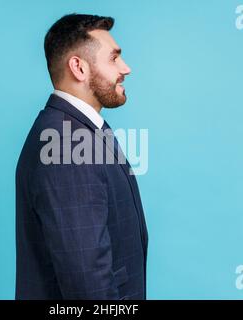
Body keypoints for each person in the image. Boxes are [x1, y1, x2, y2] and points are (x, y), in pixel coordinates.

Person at [15, 13, 148, 300]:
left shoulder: (79, 131)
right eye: (114, 58)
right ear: (79, 67)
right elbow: (87, 282)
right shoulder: (65, 145)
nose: (126, 68)